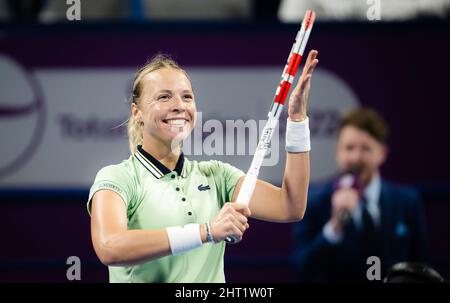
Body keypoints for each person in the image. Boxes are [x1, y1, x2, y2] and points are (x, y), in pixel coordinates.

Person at [87, 51, 319, 282]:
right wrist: (207, 232)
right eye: (164, 97)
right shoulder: (118, 177)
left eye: (187, 97)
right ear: (137, 113)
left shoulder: (216, 175)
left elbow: (290, 206)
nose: (179, 105)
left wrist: (297, 120)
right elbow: (110, 246)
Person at [292, 108, 428, 282]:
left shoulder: (407, 202)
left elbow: (420, 268)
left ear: (382, 153)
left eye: (366, 148)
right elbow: (302, 269)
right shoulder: (314, 202)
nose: (356, 157)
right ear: (337, 152)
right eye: (349, 148)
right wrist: (334, 227)